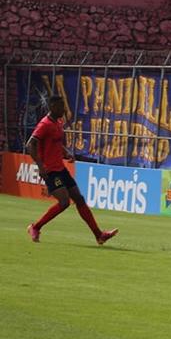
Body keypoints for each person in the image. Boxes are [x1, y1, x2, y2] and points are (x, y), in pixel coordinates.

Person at [26, 96, 118, 245]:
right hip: (50, 171)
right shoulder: (44, 124)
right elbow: (30, 145)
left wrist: (66, 152)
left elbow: (55, 143)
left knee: (79, 199)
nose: (64, 109)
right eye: (61, 106)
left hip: (60, 169)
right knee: (64, 202)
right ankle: (35, 227)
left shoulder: (58, 123)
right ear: (53, 107)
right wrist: (40, 166)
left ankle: (99, 235)